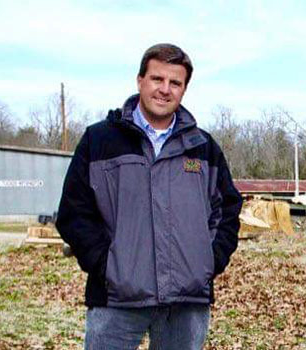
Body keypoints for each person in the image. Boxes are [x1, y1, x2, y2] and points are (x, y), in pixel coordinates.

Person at [56, 43, 243, 349]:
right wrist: (108, 267)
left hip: (186, 302)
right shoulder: (100, 140)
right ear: (140, 81)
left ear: (184, 90)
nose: (165, 90)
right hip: (115, 299)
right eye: (157, 79)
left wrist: (206, 263)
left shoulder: (203, 148)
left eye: (175, 83)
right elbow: (74, 213)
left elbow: (228, 211)